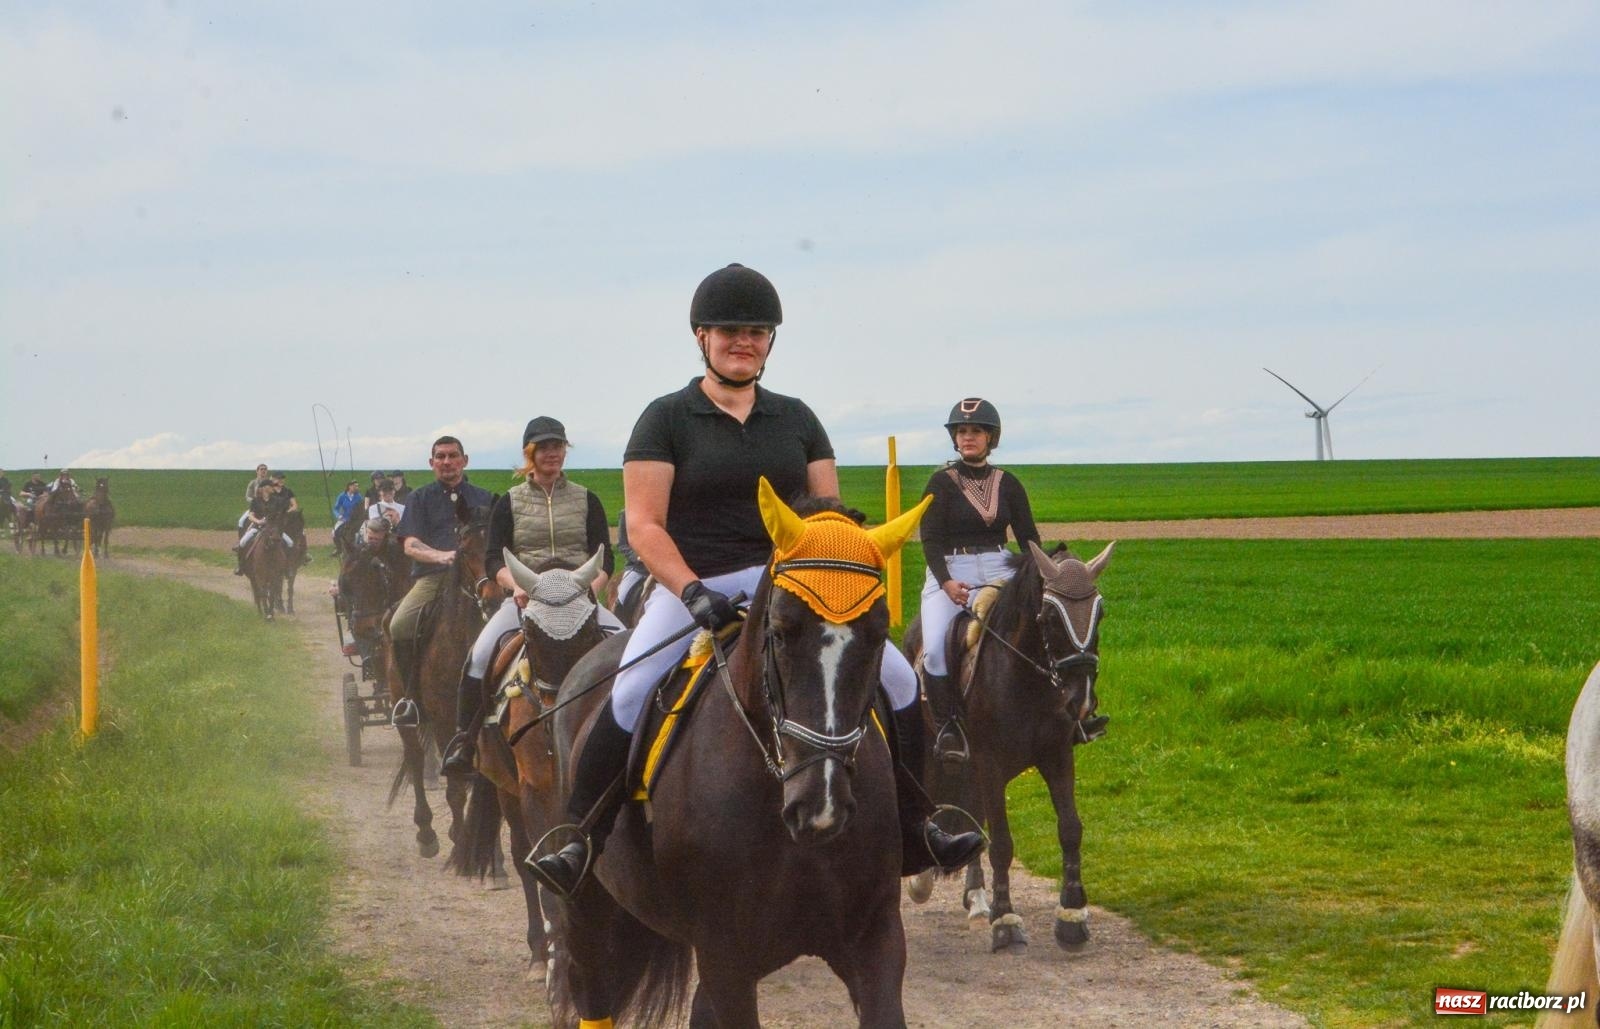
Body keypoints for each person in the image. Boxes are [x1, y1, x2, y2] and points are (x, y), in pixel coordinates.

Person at [530, 263, 984, 898]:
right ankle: (582, 834)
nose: (744, 341)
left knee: (900, 678)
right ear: (701, 336)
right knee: (632, 685)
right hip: (698, 583)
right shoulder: (665, 419)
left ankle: (917, 821)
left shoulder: (797, 419)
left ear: (771, 341)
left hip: (794, 583)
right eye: (729, 330)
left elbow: (828, 519)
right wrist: (691, 591)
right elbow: (644, 526)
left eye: (757, 331)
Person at [918, 398, 1108, 763]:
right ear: (954, 439)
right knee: (935, 652)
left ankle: (1073, 717)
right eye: (961, 431)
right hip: (950, 569)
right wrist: (945, 583)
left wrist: (1051, 574)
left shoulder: (1009, 484)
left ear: (991, 438)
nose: (968, 437)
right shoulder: (940, 482)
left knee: (1045, 631)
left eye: (976, 431)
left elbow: (1028, 539)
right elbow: (930, 539)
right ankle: (949, 729)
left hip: (1000, 566)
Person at [440, 416, 620, 776]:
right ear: (530, 453)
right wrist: (517, 586)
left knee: (631, 647)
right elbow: (493, 557)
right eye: (544, 447)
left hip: (578, 600)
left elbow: (605, 557)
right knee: (478, 657)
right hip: (528, 597)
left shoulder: (588, 499)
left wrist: (590, 589)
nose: (552, 453)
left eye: (558, 446)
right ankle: (465, 739)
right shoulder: (509, 502)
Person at [388, 437, 493, 728]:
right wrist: (443, 556)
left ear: (465, 460)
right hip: (434, 577)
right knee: (399, 625)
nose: (447, 462)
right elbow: (410, 544)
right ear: (431, 463)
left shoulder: (486, 498)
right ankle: (411, 697)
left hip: (479, 578)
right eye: (440, 456)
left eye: (453, 456)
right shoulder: (419, 498)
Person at [233, 478, 296, 575]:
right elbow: (250, 515)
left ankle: (288, 567)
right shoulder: (255, 501)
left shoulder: (277, 500)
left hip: (273, 529)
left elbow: (282, 512)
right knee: (242, 542)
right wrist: (258, 521)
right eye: (271, 486)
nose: (273, 487)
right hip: (258, 528)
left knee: (290, 543)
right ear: (264, 488)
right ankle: (241, 566)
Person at [610, 509, 650, 611]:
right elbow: (623, 545)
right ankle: (619, 620)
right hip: (638, 568)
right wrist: (638, 557)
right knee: (622, 596)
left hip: (664, 568)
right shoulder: (626, 514)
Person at [332, 480, 364, 551]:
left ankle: (359, 547)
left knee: (361, 532)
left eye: (357, 486)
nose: (357, 488)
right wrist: (339, 516)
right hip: (345, 518)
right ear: (349, 487)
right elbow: (335, 508)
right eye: (355, 486)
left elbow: (362, 507)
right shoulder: (342, 496)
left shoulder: (358, 496)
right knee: (334, 532)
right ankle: (338, 548)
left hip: (355, 519)